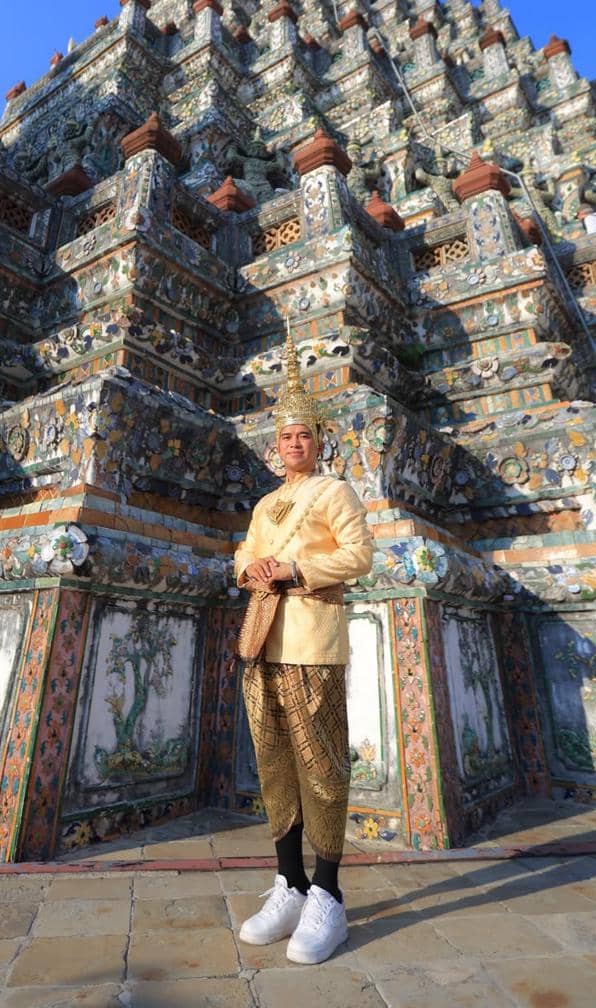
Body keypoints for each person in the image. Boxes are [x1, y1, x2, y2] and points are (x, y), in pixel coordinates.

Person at [233, 327, 375, 964]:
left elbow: (359, 556)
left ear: (321, 442)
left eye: (306, 436)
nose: (296, 444)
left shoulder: (333, 491)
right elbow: (244, 555)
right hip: (261, 643)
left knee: (321, 770)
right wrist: (253, 571)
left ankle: (328, 894)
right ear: (276, 446)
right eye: (287, 437)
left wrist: (294, 571)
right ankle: (287, 883)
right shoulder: (267, 503)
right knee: (273, 767)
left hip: (313, 645)